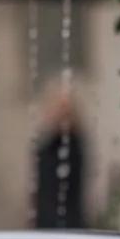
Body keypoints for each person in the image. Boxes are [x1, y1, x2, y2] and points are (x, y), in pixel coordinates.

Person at [34, 80, 87, 228]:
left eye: (65, 109)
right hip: (46, 221)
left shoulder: (72, 145)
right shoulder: (48, 144)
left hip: (66, 223)